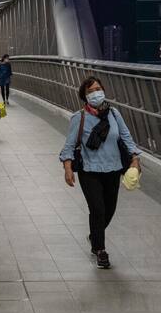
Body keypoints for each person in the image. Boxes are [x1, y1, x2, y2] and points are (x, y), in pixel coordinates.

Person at [59, 76, 141, 269]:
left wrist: (135, 159)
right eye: (90, 91)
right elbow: (69, 145)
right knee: (98, 210)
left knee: (109, 210)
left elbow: (126, 137)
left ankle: (94, 235)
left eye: (98, 89)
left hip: (113, 169)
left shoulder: (114, 114)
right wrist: (68, 168)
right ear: (84, 96)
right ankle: (100, 250)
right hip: (90, 170)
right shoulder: (79, 118)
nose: (96, 93)